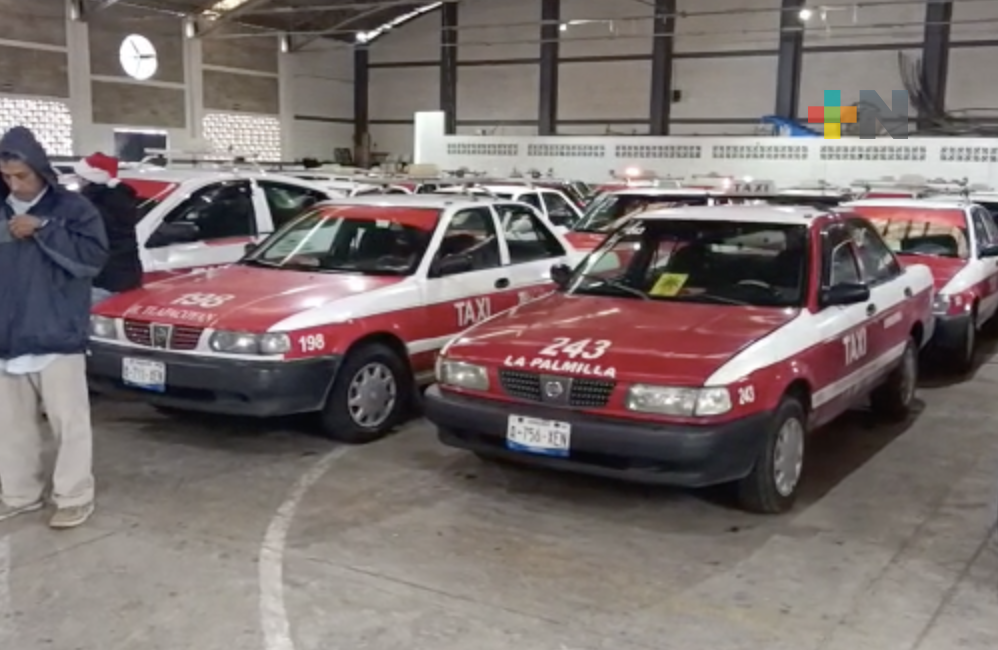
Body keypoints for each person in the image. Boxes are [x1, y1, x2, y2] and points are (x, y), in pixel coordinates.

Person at [0, 126, 108, 528]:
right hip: (7, 337)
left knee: (69, 424)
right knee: (11, 428)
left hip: (56, 336)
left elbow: (91, 260)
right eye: (7, 176)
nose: (15, 184)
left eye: (22, 176)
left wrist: (44, 229)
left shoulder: (73, 210)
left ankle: (73, 494)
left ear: (41, 171)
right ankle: (19, 493)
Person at [73, 152, 142, 303]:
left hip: (101, 280)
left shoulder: (90, 206)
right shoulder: (121, 199)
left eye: (79, 177)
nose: (77, 181)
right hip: (125, 278)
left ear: (88, 179)